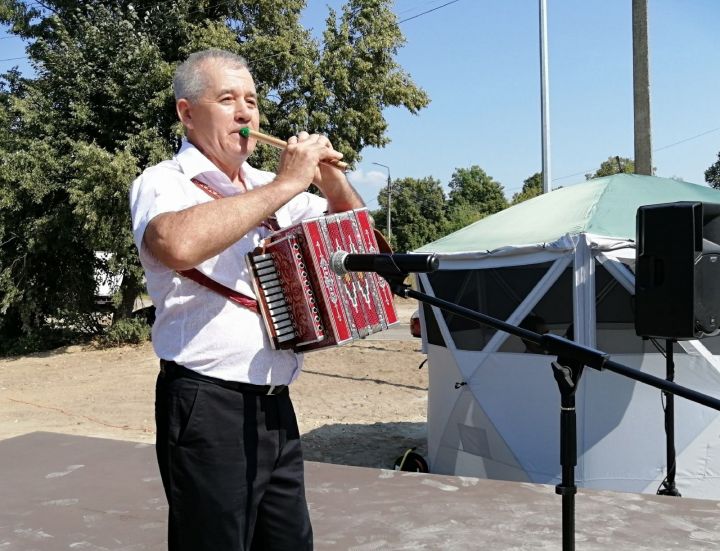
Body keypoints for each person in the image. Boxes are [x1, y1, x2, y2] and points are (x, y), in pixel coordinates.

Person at [129, 48, 364, 550]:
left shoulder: (267, 187)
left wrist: (333, 182)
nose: (246, 114)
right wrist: (287, 183)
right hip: (205, 403)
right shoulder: (166, 181)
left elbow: (360, 248)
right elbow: (176, 244)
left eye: (252, 101)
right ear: (187, 113)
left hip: (276, 405)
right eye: (227, 99)